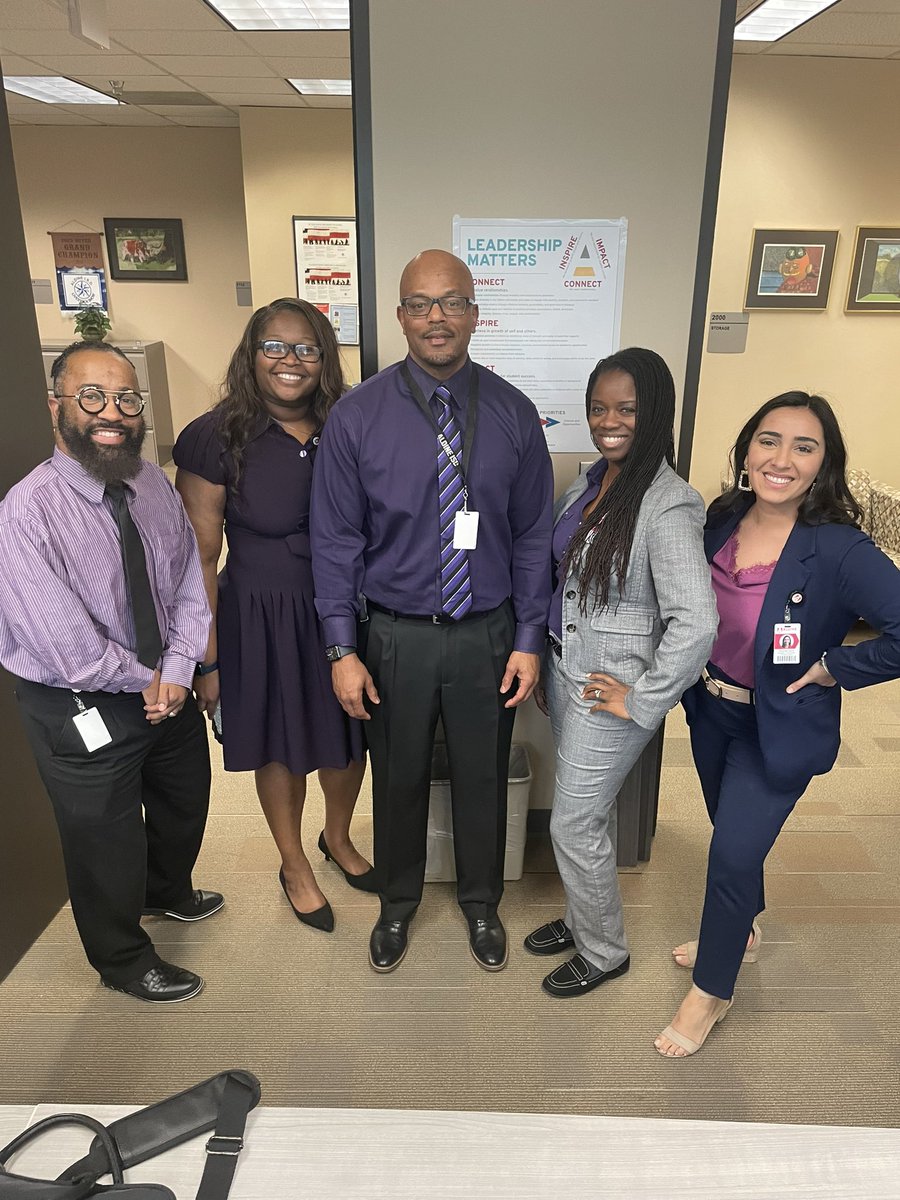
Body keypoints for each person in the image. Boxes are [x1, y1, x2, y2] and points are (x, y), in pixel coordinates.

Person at [311, 249, 553, 973]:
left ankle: (482, 904)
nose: (436, 318)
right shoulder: (357, 417)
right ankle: (398, 905)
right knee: (399, 774)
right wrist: (340, 649)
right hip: (394, 636)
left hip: (488, 633)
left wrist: (531, 637)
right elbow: (335, 539)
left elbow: (535, 532)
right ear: (400, 316)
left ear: (476, 314)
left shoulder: (513, 412)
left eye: (451, 303)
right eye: (420, 304)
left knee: (481, 773)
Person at [656, 391, 900, 1057]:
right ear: (744, 452)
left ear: (823, 466)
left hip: (780, 727)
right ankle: (745, 930)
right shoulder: (723, 517)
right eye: (769, 440)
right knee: (731, 835)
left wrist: (834, 666)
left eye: (803, 446)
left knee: (732, 854)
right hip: (710, 711)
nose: (781, 458)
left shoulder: (838, 549)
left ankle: (713, 990)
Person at [0, 341, 219, 1004]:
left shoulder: (150, 482)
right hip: (78, 700)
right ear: (56, 407)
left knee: (185, 801)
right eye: (92, 396)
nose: (112, 413)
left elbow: (186, 576)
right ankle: (122, 957)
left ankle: (166, 893)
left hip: (164, 681)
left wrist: (179, 665)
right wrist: (153, 680)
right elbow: (66, 645)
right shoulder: (26, 512)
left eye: (127, 398)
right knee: (104, 835)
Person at [174, 299, 373, 934]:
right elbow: (199, 558)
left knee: (349, 737)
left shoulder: (348, 424)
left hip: (341, 607)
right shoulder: (216, 435)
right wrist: (207, 660)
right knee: (280, 747)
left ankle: (336, 839)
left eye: (307, 348)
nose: (291, 361)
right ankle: (294, 865)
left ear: (325, 359)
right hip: (259, 616)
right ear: (251, 355)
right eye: (275, 347)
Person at [523, 348, 718, 997]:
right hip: (569, 671)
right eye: (600, 407)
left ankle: (604, 950)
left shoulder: (668, 504)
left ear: (653, 412)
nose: (610, 420)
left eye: (626, 408)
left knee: (572, 822)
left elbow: (697, 622)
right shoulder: (590, 480)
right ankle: (584, 918)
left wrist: (644, 699)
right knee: (591, 814)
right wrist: (558, 663)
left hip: (613, 691)